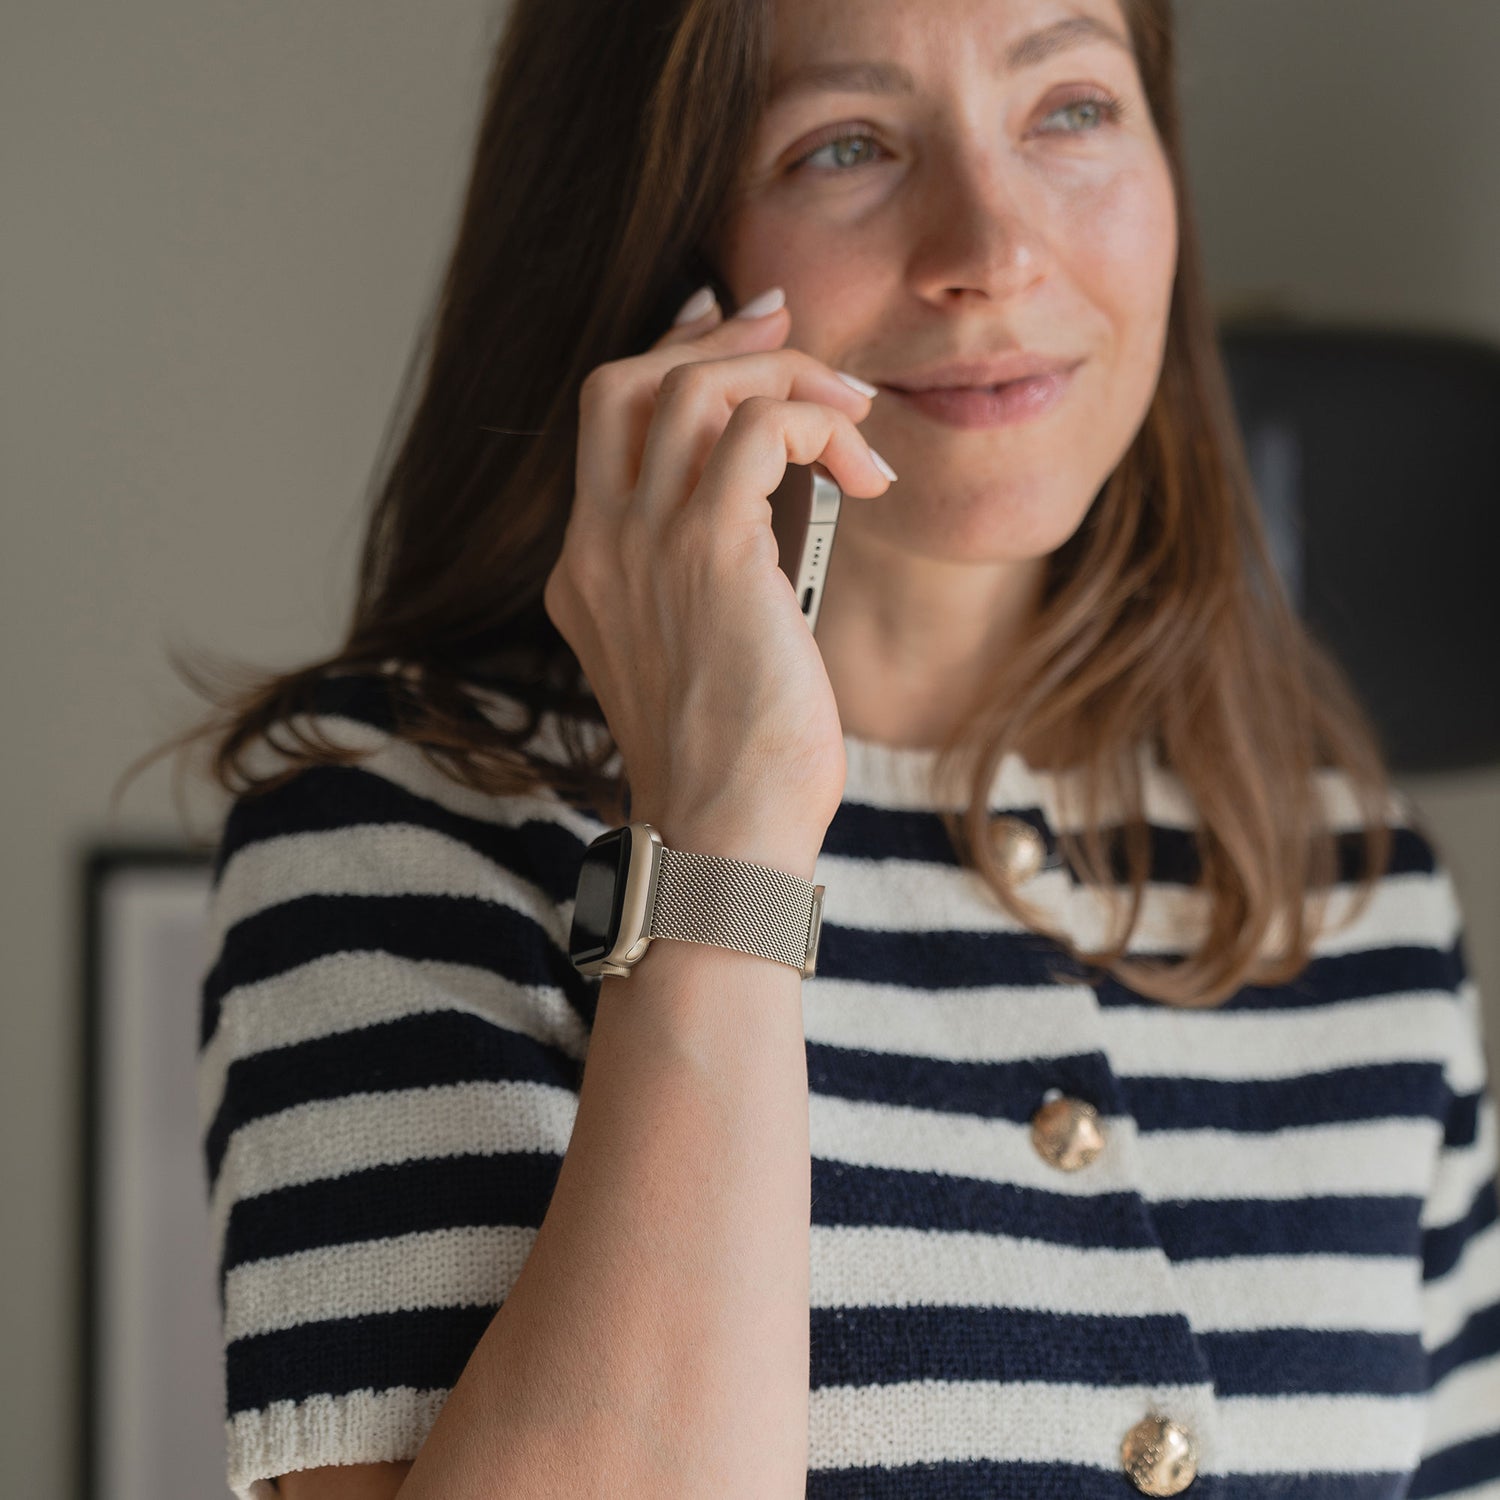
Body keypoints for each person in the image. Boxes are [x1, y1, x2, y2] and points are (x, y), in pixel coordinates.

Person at [126, 0, 1500, 1494]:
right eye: (844, 144)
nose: (995, 245)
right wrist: (724, 838)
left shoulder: (1350, 887)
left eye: (1074, 109)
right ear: (658, 247)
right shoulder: (398, 830)